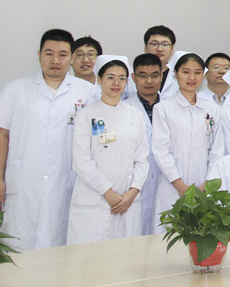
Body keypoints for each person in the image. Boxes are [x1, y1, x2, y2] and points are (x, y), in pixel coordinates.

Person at [0, 29, 98, 250]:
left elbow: (95, 141)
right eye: (49, 54)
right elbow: (2, 135)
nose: (55, 60)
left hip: (66, 181)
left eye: (62, 55)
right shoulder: (16, 90)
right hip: (24, 181)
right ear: (39, 55)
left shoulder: (88, 92)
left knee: (60, 247)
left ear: (71, 57)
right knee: (18, 246)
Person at [68, 56, 149, 244]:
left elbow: (142, 159)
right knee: (89, 256)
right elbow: (81, 161)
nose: (116, 83)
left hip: (127, 200)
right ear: (99, 79)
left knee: (125, 253)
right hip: (94, 198)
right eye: (111, 77)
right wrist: (107, 191)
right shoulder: (86, 115)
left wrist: (132, 192)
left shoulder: (135, 116)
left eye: (122, 78)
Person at [151, 53, 219, 231]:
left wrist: (207, 183)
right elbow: (160, 150)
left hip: (203, 186)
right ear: (175, 73)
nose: (192, 77)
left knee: (200, 235)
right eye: (186, 72)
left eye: (197, 72)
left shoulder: (212, 109)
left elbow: (217, 150)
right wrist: (178, 183)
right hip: (172, 187)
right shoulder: (163, 109)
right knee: (169, 235)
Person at [124, 53, 162, 235]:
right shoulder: (124, 108)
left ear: (161, 76)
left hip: (164, 182)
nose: (149, 81)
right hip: (132, 183)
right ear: (133, 77)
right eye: (142, 75)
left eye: (154, 75)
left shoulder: (171, 107)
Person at [143, 25, 177, 99]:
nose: (159, 49)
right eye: (154, 44)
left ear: (172, 49)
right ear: (145, 47)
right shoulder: (131, 77)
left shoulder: (178, 77)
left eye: (165, 44)